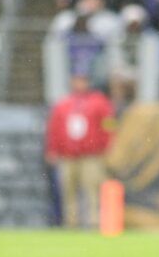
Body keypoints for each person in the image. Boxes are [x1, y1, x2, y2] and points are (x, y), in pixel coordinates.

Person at [45, 74, 115, 229]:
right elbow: (54, 129)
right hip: (68, 156)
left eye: (82, 81)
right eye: (76, 80)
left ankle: (94, 222)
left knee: (92, 189)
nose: (79, 84)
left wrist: (106, 147)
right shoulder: (63, 104)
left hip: (91, 155)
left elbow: (108, 126)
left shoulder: (99, 102)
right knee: (68, 190)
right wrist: (53, 149)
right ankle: (71, 223)